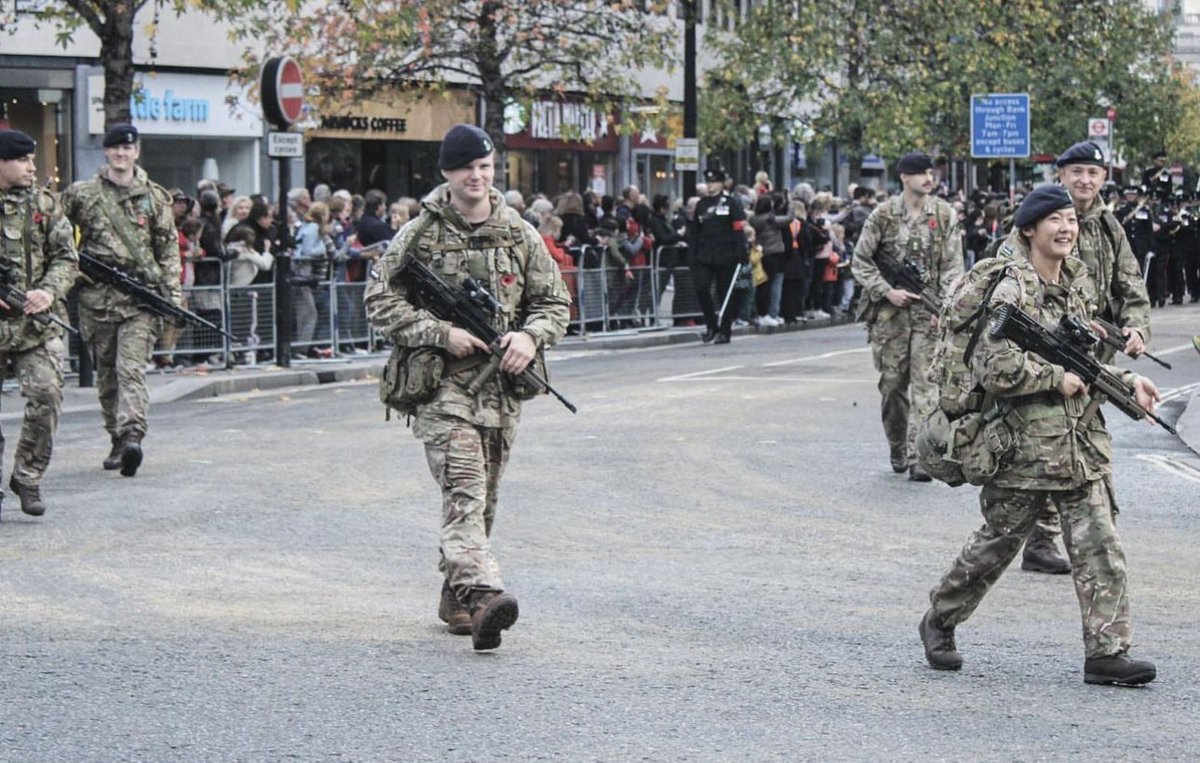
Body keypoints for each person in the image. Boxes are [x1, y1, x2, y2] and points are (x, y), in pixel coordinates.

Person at [919, 185, 1161, 687]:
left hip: (1078, 443)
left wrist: (1129, 384)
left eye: (1070, 219)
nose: (1066, 228)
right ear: (1029, 229)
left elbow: (1085, 360)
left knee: (1100, 546)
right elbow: (993, 364)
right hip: (1023, 449)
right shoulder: (1013, 287)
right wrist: (1053, 379)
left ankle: (1107, 652)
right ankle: (940, 619)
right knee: (995, 546)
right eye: (1054, 220)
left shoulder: (1074, 282)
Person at [364, 123, 570, 651]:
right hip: (441, 391)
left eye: (484, 166)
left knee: (484, 503)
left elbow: (555, 302)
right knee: (464, 489)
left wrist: (529, 335)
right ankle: (482, 596)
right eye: (465, 169)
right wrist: (440, 333)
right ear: (447, 174)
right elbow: (379, 302)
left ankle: (454, 595)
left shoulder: (518, 231)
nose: (476, 176)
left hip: (500, 390)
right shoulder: (420, 233)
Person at [1010, 141, 1156, 574]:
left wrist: (1135, 330)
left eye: (1092, 172)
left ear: (1103, 178)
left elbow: (1130, 287)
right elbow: (1013, 284)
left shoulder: (1111, 228)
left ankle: (1066, 539)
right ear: (1061, 176)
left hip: (1096, 360)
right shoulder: (1035, 221)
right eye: (1075, 172)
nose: (1084, 180)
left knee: (1080, 441)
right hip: (1046, 356)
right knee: (1053, 444)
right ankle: (1042, 538)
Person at [62, 123, 181, 478]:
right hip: (97, 300)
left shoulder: (154, 197)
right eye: (114, 148)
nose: (120, 154)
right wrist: (75, 273)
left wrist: (172, 296)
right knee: (108, 374)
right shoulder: (82, 195)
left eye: (126, 149)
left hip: (139, 301)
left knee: (131, 369)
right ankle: (116, 436)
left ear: (136, 152)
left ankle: (132, 434)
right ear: (106, 152)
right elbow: (57, 239)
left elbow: (168, 248)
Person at [851, 152, 963, 480]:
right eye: (921, 173)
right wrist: (886, 290)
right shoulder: (883, 215)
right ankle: (897, 445)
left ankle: (919, 455)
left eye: (931, 173)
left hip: (927, 313)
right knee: (892, 386)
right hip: (890, 315)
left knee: (926, 386)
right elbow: (860, 260)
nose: (929, 178)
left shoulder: (943, 214)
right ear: (904, 177)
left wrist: (943, 308)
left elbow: (952, 266)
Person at [0, 130, 78, 518]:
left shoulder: (46, 205)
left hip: (36, 322)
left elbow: (67, 258)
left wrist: (48, 291)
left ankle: (27, 475)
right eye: (24, 161)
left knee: (47, 394)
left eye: (33, 160)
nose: (33, 167)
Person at [689, 167, 748, 344]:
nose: (711, 186)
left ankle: (724, 330)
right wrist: (693, 255)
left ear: (722, 184)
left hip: (726, 253)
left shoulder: (731, 203)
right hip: (705, 254)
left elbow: (738, 228)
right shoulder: (702, 204)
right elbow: (696, 232)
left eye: (714, 182)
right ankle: (711, 325)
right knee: (702, 288)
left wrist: (740, 251)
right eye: (709, 182)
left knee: (726, 293)